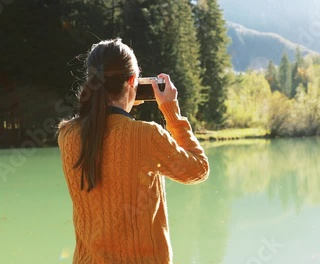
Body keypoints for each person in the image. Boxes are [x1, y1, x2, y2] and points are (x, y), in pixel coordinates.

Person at [57, 38, 210, 263]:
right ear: (132, 81)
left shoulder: (67, 135)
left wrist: (122, 106)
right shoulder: (146, 135)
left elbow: (107, 132)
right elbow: (198, 169)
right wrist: (171, 113)